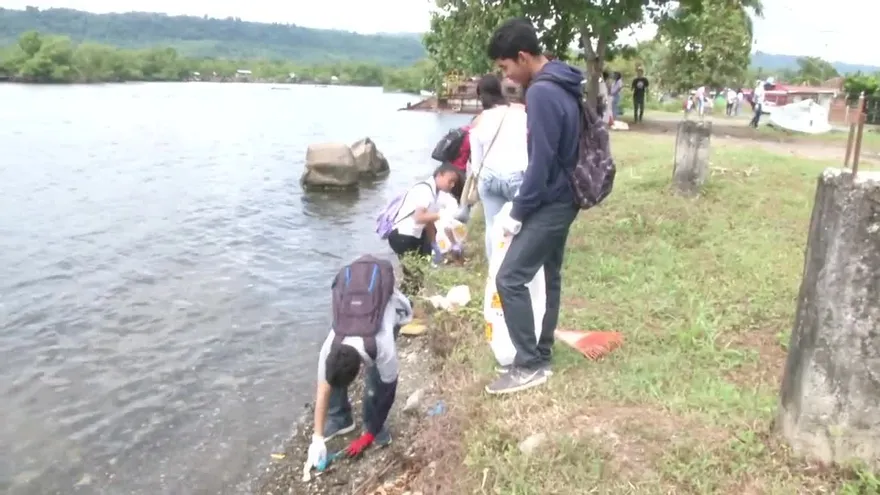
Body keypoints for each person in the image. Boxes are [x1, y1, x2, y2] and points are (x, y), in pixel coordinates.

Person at [485, 18, 582, 395]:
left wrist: (517, 212)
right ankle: (541, 352)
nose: (506, 76)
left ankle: (528, 364)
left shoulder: (541, 92)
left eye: (506, 66)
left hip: (551, 199)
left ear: (523, 57)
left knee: (509, 278)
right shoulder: (564, 80)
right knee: (550, 275)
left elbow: (541, 163)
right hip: (565, 195)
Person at [306, 256, 414, 469]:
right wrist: (317, 438)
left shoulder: (382, 347)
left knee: (376, 385)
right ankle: (341, 419)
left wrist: (369, 435)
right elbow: (323, 388)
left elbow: (388, 393)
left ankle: (374, 425)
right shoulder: (330, 346)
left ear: (358, 371)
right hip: (355, 310)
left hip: (389, 310)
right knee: (332, 379)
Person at [469, 74, 528, 261]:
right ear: (500, 90)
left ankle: (494, 269)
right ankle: (515, 265)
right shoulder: (520, 114)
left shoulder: (479, 120)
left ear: (480, 95)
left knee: (492, 225)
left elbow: (476, 162)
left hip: (488, 177)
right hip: (517, 175)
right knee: (520, 225)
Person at [386, 163, 460, 258]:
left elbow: (429, 222)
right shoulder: (425, 190)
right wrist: (441, 215)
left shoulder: (435, 194)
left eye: (454, 183)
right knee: (414, 266)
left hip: (415, 235)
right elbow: (419, 217)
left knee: (424, 262)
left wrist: (434, 244)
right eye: (450, 181)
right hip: (403, 235)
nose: (452, 185)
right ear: (439, 175)